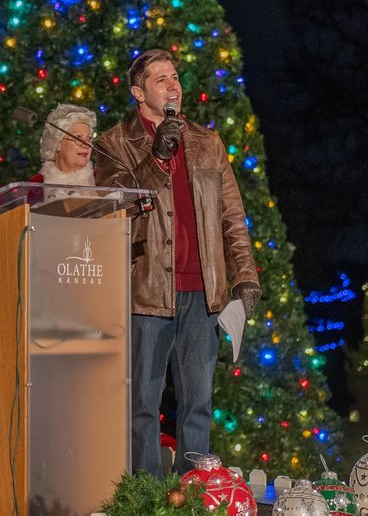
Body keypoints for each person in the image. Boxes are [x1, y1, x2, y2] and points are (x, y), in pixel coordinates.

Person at [93, 48, 262, 477]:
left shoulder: (208, 142)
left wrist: (244, 274)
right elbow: (117, 211)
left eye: (175, 76)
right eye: (161, 79)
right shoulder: (113, 143)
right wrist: (156, 158)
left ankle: (193, 491)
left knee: (198, 404)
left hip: (203, 293)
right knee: (143, 406)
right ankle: (147, 497)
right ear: (138, 92)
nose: (174, 85)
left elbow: (231, 217)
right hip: (146, 293)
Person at [28, 103, 96, 187]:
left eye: (89, 139)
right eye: (78, 138)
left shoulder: (101, 180)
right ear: (57, 142)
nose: (86, 145)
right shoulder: (37, 185)